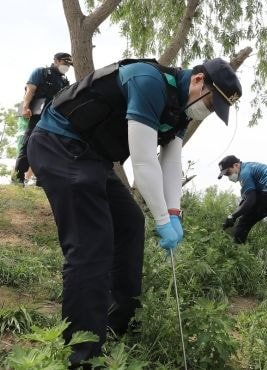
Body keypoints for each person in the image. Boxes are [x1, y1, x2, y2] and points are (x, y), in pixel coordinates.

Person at [27, 57, 242, 367]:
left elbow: (171, 162)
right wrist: (162, 220)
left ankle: (117, 324)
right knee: (92, 248)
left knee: (129, 223)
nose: (207, 111)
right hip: (58, 145)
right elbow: (143, 163)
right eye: (210, 103)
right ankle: (81, 353)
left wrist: (174, 212)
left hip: (93, 159)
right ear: (198, 80)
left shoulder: (179, 109)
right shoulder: (149, 81)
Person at [219, 155, 267, 286]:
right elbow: (246, 200)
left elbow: (250, 201)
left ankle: (234, 262)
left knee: (244, 221)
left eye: (228, 172)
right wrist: (234, 213)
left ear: (236, 165)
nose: (228, 176)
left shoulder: (245, 172)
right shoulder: (254, 168)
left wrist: (232, 217)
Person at [12, 52, 73, 185]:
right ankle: (18, 178)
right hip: (36, 115)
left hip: (53, 119)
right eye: (65, 63)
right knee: (28, 144)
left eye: (69, 64)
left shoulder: (64, 81)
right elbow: (30, 90)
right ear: (56, 60)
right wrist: (25, 107)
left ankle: (42, 181)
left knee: (49, 148)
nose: (67, 66)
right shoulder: (41, 72)